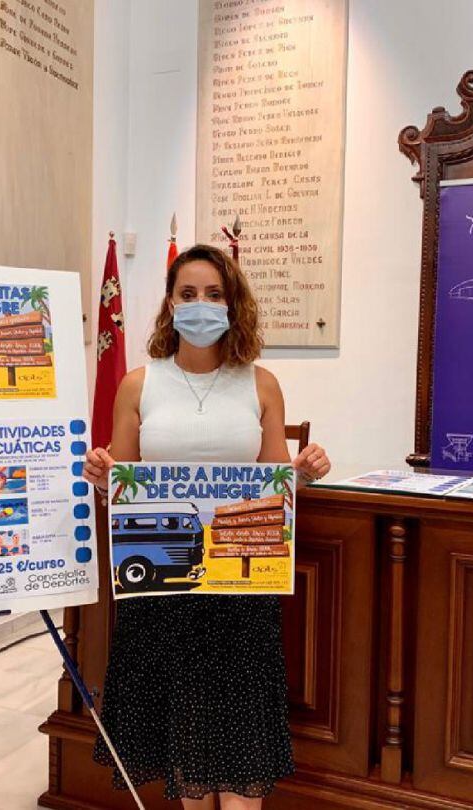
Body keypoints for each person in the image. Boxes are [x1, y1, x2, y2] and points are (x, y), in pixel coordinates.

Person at [83, 244, 331, 809]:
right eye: (188, 294)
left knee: (239, 753)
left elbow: (275, 486)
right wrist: (101, 475)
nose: (201, 305)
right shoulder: (137, 384)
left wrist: (303, 473)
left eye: (214, 295)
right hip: (163, 589)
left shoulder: (260, 383)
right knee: (185, 748)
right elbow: (121, 483)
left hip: (240, 587)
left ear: (232, 304)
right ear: (169, 305)